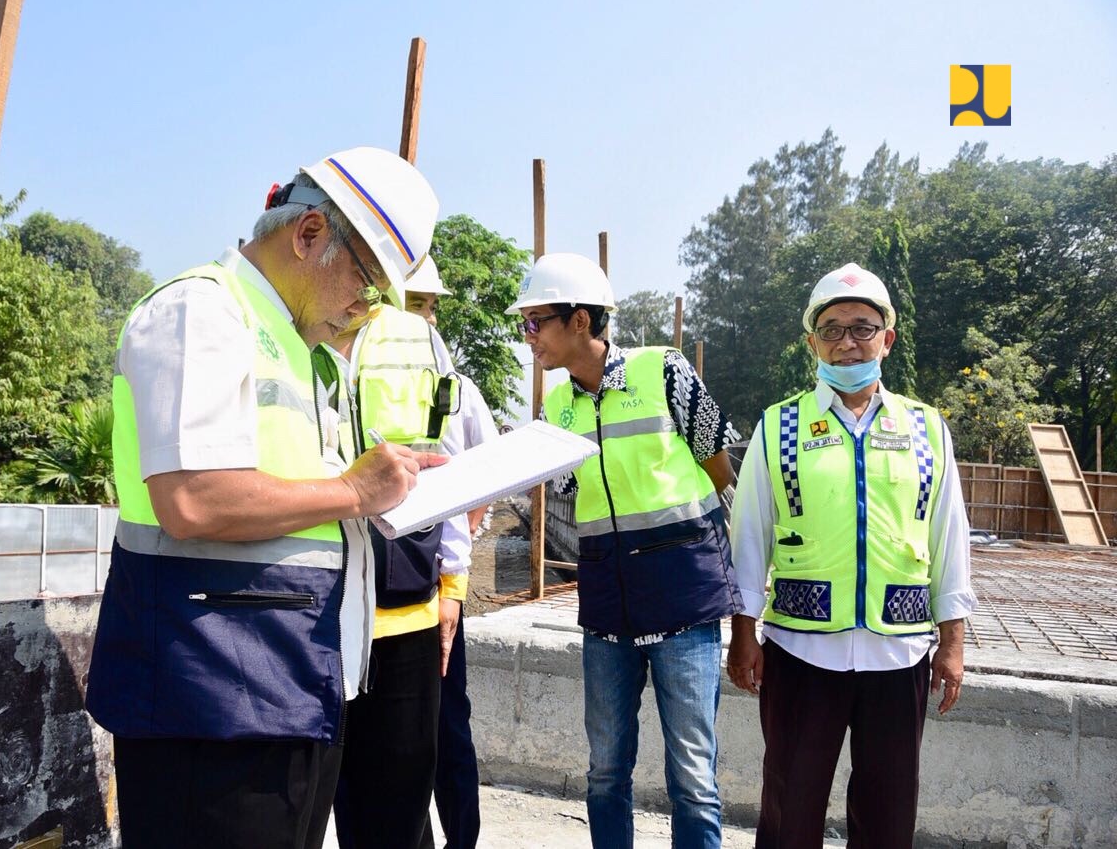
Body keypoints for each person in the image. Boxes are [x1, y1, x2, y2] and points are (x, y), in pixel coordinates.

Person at [85, 146, 443, 849]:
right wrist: (351, 489)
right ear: (308, 234)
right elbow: (190, 498)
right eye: (366, 284)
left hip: (287, 688)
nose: (365, 311)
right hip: (207, 700)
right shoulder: (202, 311)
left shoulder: (304, 352)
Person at [726, 262, 977, 849]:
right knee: (790, 806)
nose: (847, 342)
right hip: (800, 647)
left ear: (886, 339)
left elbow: (948, 535)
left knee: (889, 814)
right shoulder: (779, 426)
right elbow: (749, 539)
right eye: (832, 329)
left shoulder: (926, 428)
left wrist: (955, 640)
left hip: (900, 650)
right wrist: (742, 634)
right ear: (813, 342)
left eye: (862, 328)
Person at [510, 252, 744, 849]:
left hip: (683, 603)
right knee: (606, 770)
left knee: (692, 776)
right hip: (608, 609)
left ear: (581, 320)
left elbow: (717, 466)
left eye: (536, 322)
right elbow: (568, 493)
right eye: (525, 324)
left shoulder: (662, 371)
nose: (527, 337)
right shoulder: (557, 410)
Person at [318, 254, 470, 848]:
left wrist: (452, 585)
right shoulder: (284, 334)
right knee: (310, 804)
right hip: (312, 617)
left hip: (404, 616)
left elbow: (449, 469)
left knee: (400, 813)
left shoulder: (419, 342)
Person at [403, 257, 500, 849]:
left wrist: (454, 580)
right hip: (369, 593)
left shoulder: (454, 390)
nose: (424, 318)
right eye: (415, 304)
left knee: (445, 730)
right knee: (387, 744)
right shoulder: (344, 378)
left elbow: (481, 484)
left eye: (427, 306)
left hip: (434, 591)